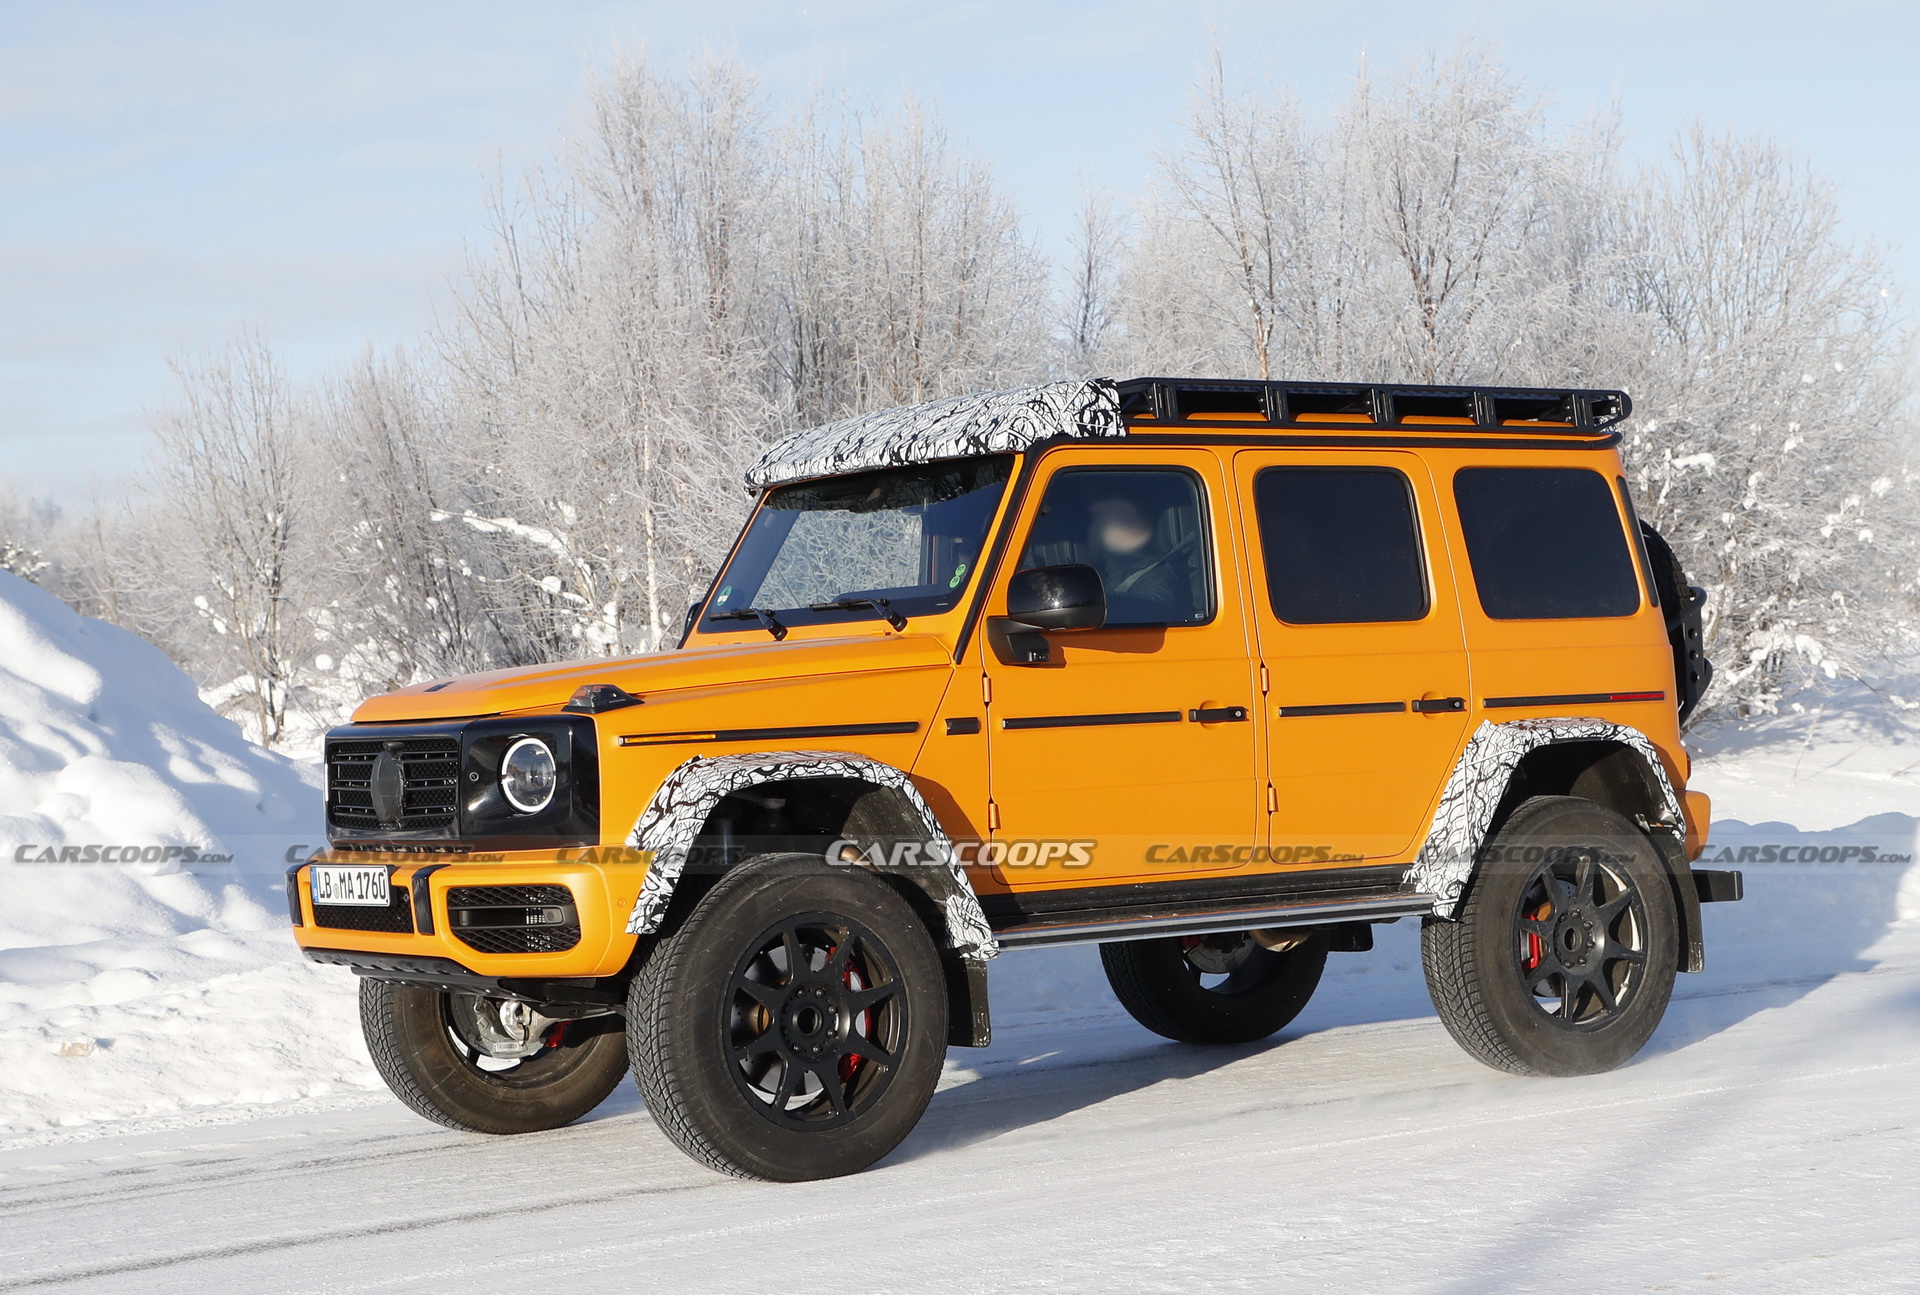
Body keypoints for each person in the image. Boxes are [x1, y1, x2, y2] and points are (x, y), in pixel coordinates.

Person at [1087, 495, 1187, 624]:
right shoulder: (1100, 573)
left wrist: (1091, 604)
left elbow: (1154, 607)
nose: (1094, 530)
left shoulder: (1152, 571)